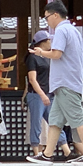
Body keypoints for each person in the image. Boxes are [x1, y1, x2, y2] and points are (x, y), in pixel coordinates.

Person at [27, 0, 83, 164]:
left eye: (46, 17)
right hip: (67, 82)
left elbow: (56, 54)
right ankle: (47, 154)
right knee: (55, 121)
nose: (46, 21)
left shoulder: (61, 30)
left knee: (78, 118)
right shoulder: (73, 30)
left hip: (65, 83)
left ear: (55, 15)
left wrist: (40, 53)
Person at [24, 30, 72, 158]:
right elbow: (32, 79)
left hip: (49, 94)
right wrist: (42, 94)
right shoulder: (32, 57)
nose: (51, 42)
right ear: (42, 42)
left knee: (55, 122)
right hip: (36, 95)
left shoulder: (47, 56)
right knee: (36, 123)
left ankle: (67, 151)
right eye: (49, 40)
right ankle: (36, 151)